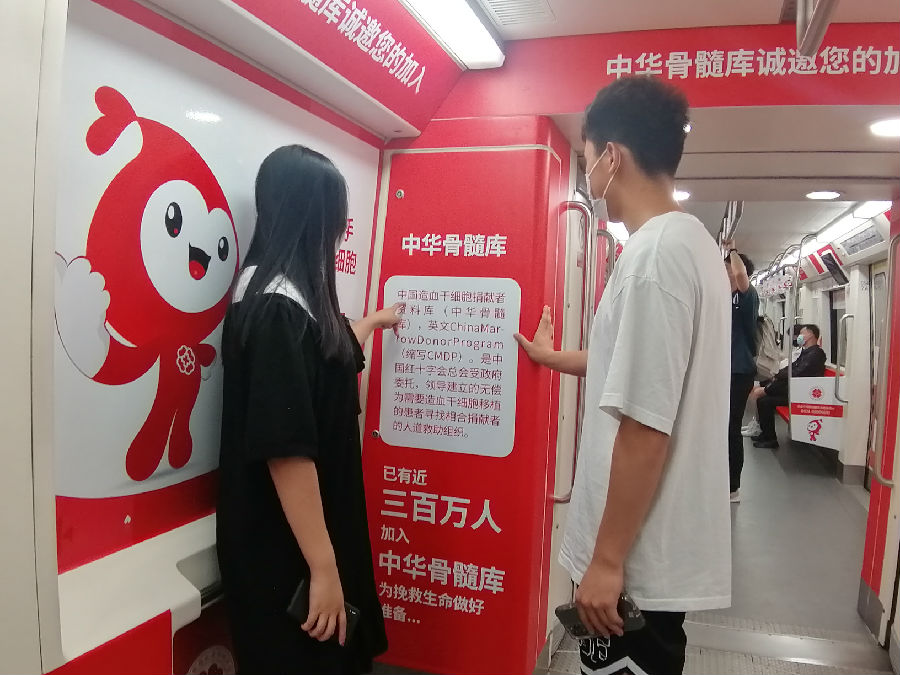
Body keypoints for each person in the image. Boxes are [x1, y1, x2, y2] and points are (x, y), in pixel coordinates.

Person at [515, 76, 730, 675]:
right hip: (648, 549)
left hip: (635, 564)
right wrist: (552, 358)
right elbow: (635, 368)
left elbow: (645, 424)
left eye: (587, 159)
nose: (588, 177)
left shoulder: (651, 260)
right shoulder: (692, 244)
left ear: (611, 157)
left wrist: (607, 561)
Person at [217, 145, 396, 674]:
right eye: (335, 219)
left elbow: (327, 365)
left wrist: (372, 323)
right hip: (287, 552)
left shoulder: (291, 296)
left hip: (311, 533)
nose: (339, 233)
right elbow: (286, 450)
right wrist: (323, 567)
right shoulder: (275, 307)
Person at [752, 324, 827, 449]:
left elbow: (797, 372)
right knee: (763, 399)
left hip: (803, 393)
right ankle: (766, 434)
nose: (799, 337)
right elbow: (791, 367)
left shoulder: (816, 354)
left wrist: (778, 376)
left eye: (801, 334)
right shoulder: (806, 352)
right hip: (796, 389)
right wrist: (777, 374)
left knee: (765, 402)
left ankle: (770, 439)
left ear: (810, 335)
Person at [726, 245, 759, 503]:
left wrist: (732, 251)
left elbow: (739, 276)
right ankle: (722, 478)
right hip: (727, 370)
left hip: (740, 371)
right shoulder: (725, 298)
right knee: (721, 426)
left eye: (726, 268)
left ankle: (732, 487)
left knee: (731, 427)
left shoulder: (747, 297)